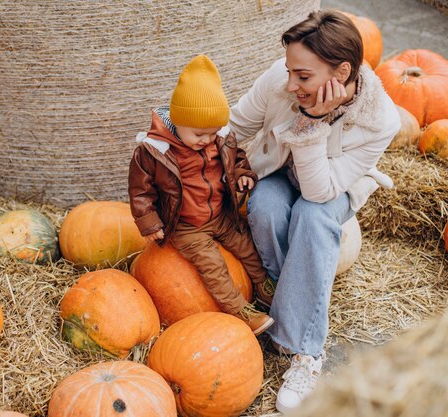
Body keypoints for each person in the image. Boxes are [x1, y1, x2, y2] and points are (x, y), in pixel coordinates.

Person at [228, 10, 401, 413]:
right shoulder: (280, 79)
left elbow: (319, 191)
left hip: (329, 188)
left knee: (312, 217)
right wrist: (185, 141)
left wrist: (311, 124)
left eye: (303, 77)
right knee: (266, 206)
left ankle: (306, 351)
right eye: (290, 71)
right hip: (275, 170)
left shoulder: (380, 120)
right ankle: (284, 299)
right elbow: (234, 126)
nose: (291, 83)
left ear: (342, 72)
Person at [128, 54, 276, 335]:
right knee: (213, 266)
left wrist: (243, 176)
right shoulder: (154, 152)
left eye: (212, 133)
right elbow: (140, 189)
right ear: (178, 122)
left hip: (221, 216)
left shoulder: (220, 138)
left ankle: (268, 290)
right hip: (186, 226)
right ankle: (241, 311)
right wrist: (148, 222)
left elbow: (238, 159)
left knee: (248, 249)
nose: (206, 140)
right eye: (198, 134)